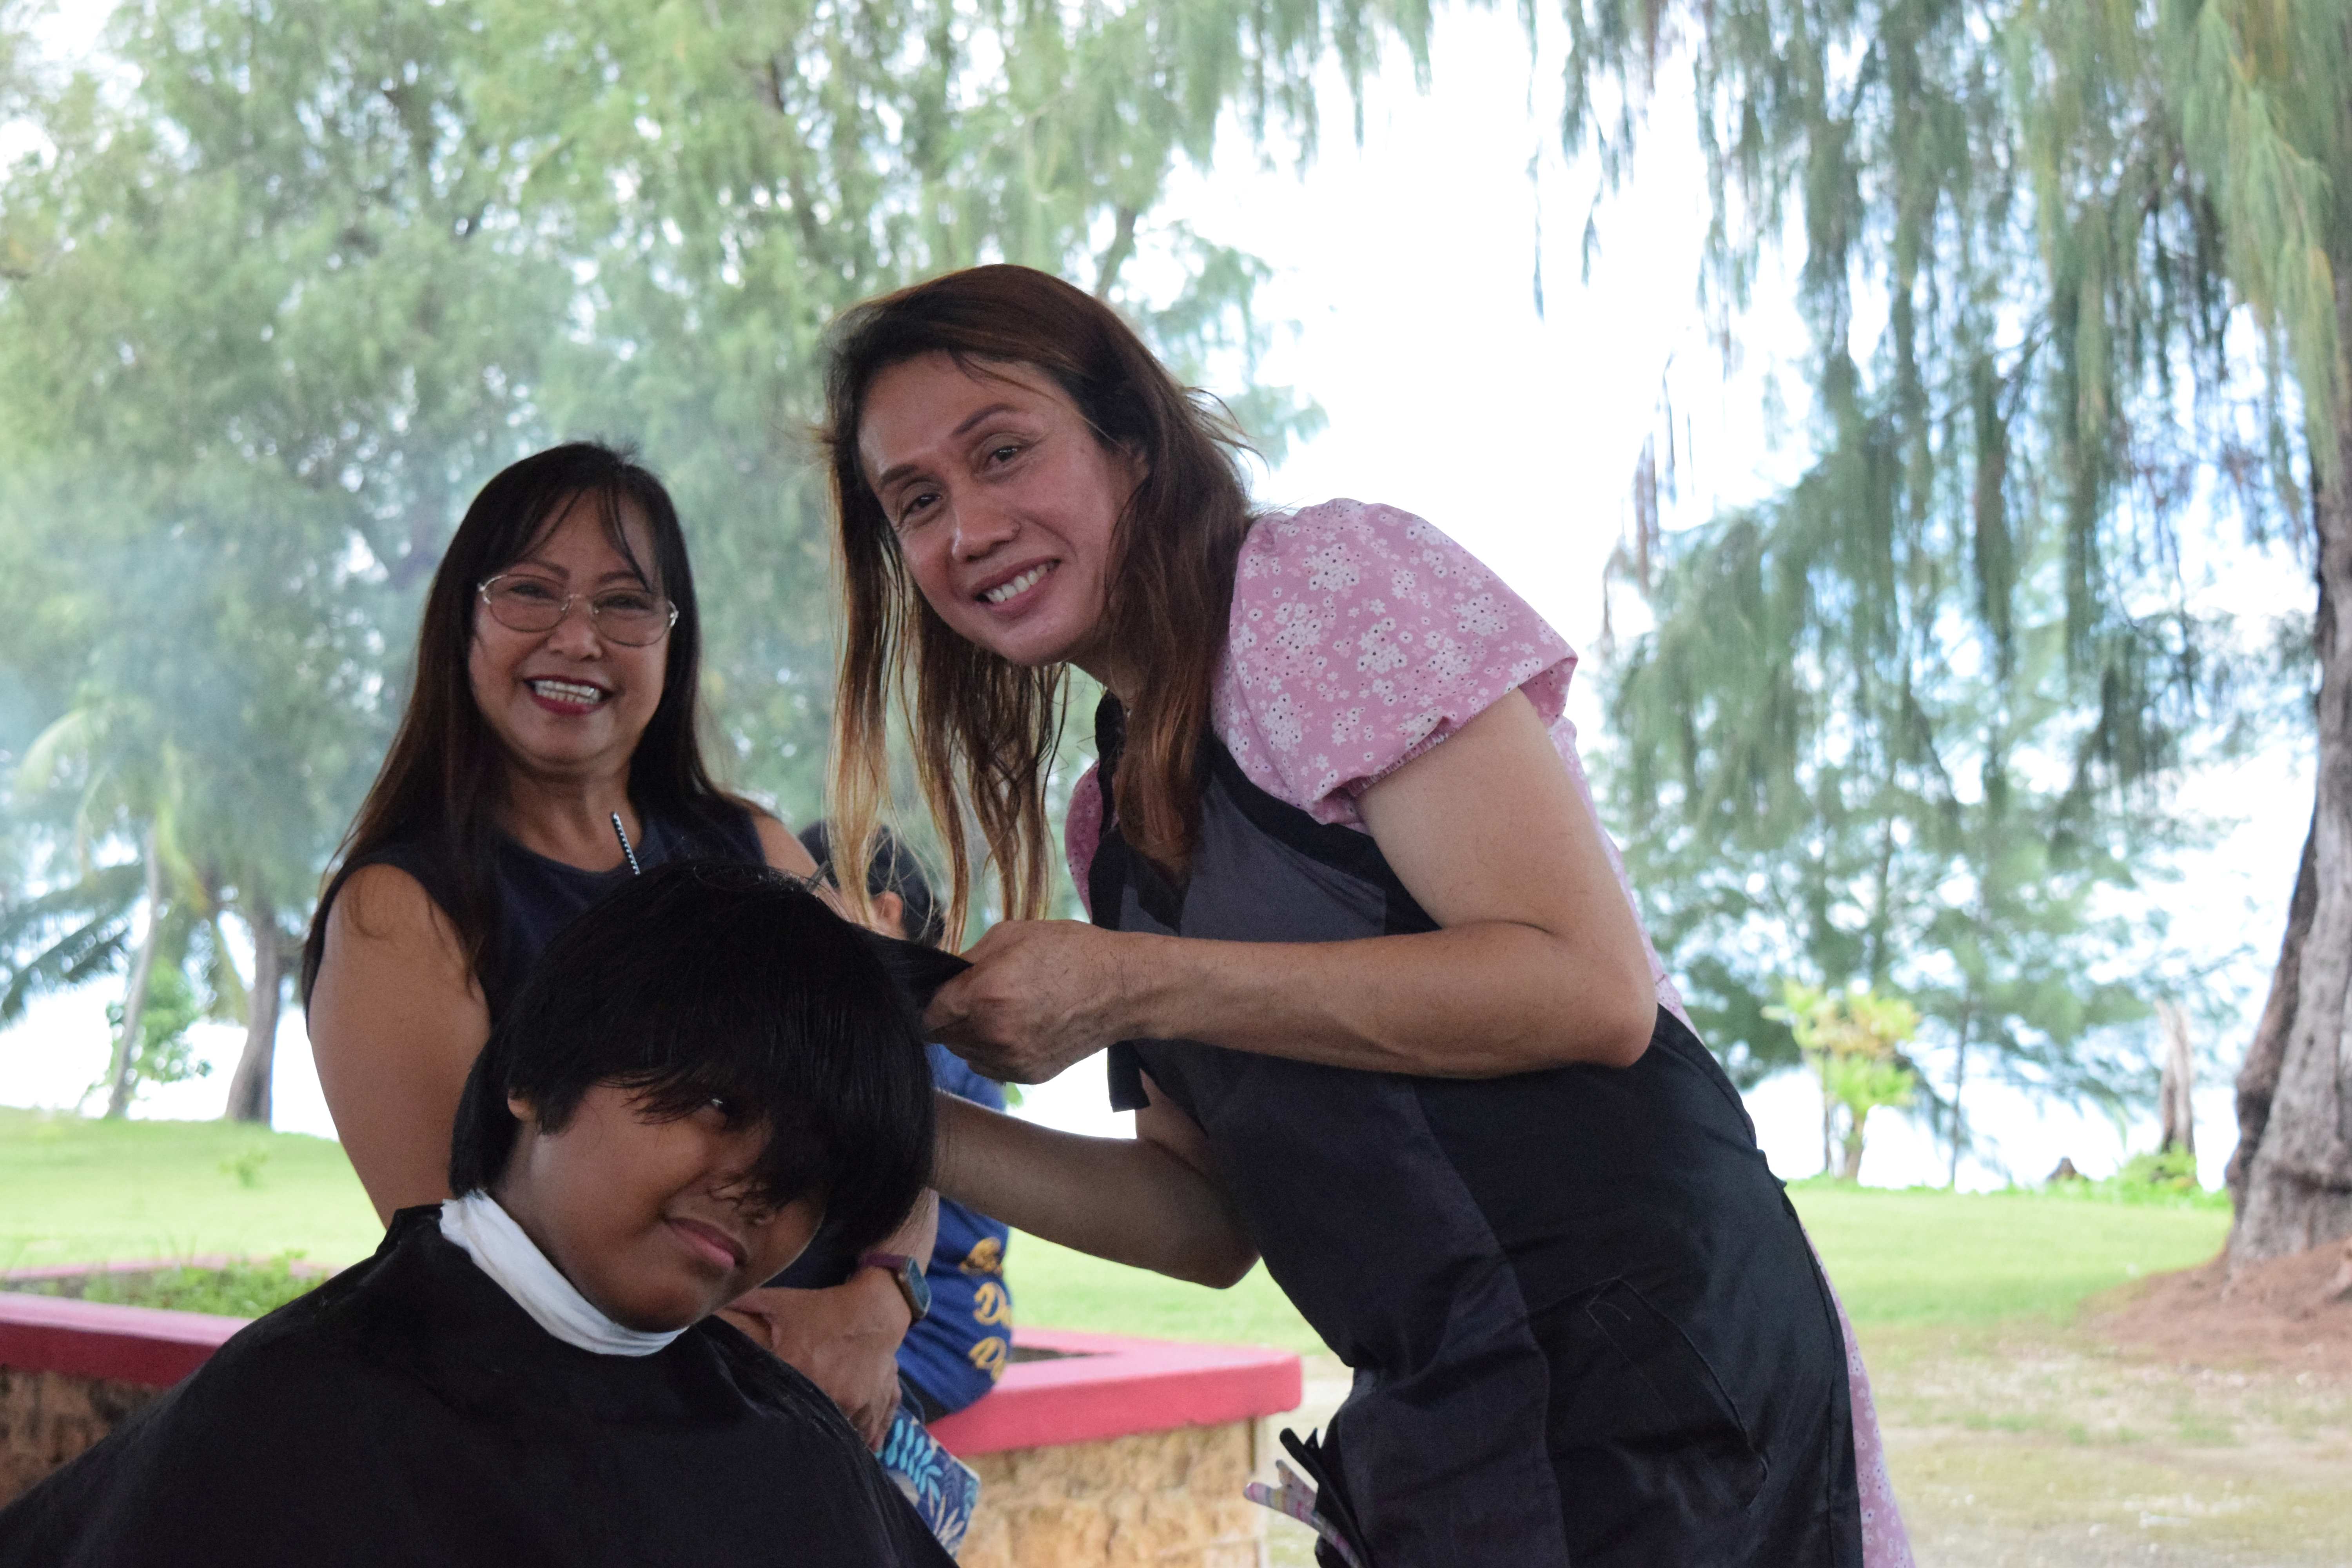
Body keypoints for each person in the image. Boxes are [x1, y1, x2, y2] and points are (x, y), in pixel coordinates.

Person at [818, 264, 1914, 1566]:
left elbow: (1588, 988)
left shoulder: (1318, 590)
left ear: (1132, 443)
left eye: (1005, 452)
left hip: (1655, 1383)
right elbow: (1206, 1222)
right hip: (1448, 1415)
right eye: (919, 502)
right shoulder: (1109, 830)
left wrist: (1133, 984)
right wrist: (871, 1101)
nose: (970, 528)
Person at [0, 862, 954, 1568]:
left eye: (811, 1173)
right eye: (717, 1106)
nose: (759, 1190)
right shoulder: (295, 1419)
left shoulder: (790, 1437)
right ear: (538, 1075)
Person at [300, 441, 936, 1450]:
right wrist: (768, 1368)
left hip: (824, 1437)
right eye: (530, 592)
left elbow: (892, 1112)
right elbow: (472, 1282)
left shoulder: (756, 847)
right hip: (592, 1456)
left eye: (625, 603)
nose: (577, 637)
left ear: (673, 641)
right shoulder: (404, 909)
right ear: (462, 619)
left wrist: (878, 1305)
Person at [797, 822, 1016, 1421]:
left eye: (811, 902)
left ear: (884, 911)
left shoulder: (911, 1045)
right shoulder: (928, 1038)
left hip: (935, 1335)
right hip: (956, 1326)